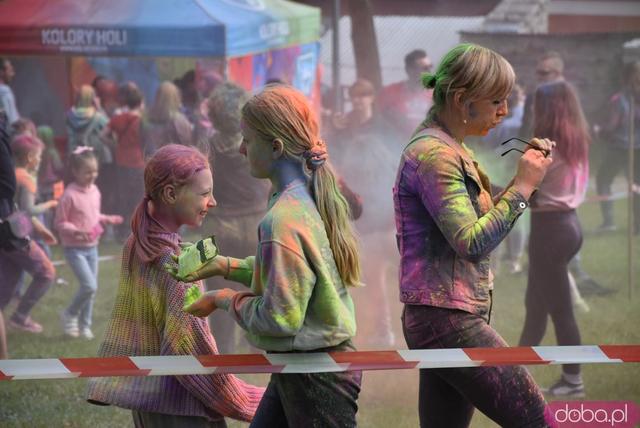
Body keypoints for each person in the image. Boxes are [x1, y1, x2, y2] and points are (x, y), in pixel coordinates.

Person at [173, 85, 363, 427]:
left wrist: (223, 299)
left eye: (248, 140)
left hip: (316, 377)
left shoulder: (283, 220)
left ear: (275, 147)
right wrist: (225, 266)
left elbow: (280, 318)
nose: (242, 149)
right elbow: (286, 275)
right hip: (303, 366)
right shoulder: (299, 197)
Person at [394, 43, 553, 427]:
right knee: (536, 420)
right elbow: (471, 241)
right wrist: (522, 189)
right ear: (463, 100)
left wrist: (522, 180)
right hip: (447, 322)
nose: (505, 111)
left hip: (442, 317)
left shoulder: (449, 146)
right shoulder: (436, 155)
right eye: (497, 100)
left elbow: (474, 220)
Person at [86, 144, 263, 426]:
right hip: (184, 410)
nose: (213, 202)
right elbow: (190, 352)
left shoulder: (137, 243)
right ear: (170, 193)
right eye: (205, 193)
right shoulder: (177, 266)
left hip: (148, 404)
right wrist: (244, 399)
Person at [518, 80, 590, 398]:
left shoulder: (543, 147)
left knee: (561, 311)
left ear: (545, 108)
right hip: (569, 226)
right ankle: (515, 375)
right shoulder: (577, 139)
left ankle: (573, 381)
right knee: (535, 306)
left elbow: (525, 193)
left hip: (549, 231)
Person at [198, 82, 270, 354]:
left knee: (219, 292)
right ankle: (257, 347)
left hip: (219, 228)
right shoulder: (255, 143)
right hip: (256, 225)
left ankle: (222, 351)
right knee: (259, 289)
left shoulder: (207, 146)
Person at [329, 78, 399, 347]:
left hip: (387, 219)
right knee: (374, 278)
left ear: (371, 98)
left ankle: (412, 327)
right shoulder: (345, 127)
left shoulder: (382, 127)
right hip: (364, 219)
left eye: (362, 95)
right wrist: (334, 131)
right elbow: (332, 158)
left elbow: (395, 161)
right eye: (353, 96)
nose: (357, 101)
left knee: (407, 275)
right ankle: (383, 332)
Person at [55, 147, 123, 339]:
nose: (92, 176)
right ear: (75, 172)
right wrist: (77, 231)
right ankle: (69, 314)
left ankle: (85, 326)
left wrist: (106, 218)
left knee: (91, 290)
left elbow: (92, 215)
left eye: (95, 171)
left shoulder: (95, 191)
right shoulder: (69, 195)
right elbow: (59, 223)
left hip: (92, 248)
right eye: (87, 172)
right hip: (74, 249)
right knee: (89, 286)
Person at [0, 134, 57, 333]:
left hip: (4, 234)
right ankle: (20, 316)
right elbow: (28, 210)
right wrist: (50, 204)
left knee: (8, 279)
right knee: (47, 272)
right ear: (30, 157)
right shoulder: (27, 179)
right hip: (15, 235)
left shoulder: (11, 174)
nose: (40, 160)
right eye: (39, 156)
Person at [595, 61, 640, 236]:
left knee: (603, 179)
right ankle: (638, 225)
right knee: (637, 185)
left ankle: (609, 221)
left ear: (624, 76)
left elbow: (613, 125)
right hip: (638, 148)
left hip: (620, 147)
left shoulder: (620, 98)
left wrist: (600, 131)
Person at [102, 81, 145, 240]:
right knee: (138, 197)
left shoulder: (118, 118)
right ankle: (136, 230)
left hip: (121, 162)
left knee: (123, 197)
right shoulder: (142, 121)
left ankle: (121, 231)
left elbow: (102, 135)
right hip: (138, 162)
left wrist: (115, 146)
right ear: (140, 103)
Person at [379, 49, 434, 140]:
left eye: (430, 67)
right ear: (409, 70)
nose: (429, 71)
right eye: (424, 68)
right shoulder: (391, 92)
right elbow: (379, 122)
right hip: (397, 146)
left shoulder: (437, 95)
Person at [141, 81, 193, 157]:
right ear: (176, 97)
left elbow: (142, 141)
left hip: (153, 161)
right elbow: (187, 143)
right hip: (174, 162)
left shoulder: (146, 118)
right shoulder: (179, 120)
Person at [0, 57, 19, 125]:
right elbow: (12, 120)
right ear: (1, 72)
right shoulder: (4, 92)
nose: (12, 74)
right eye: (10, 71)